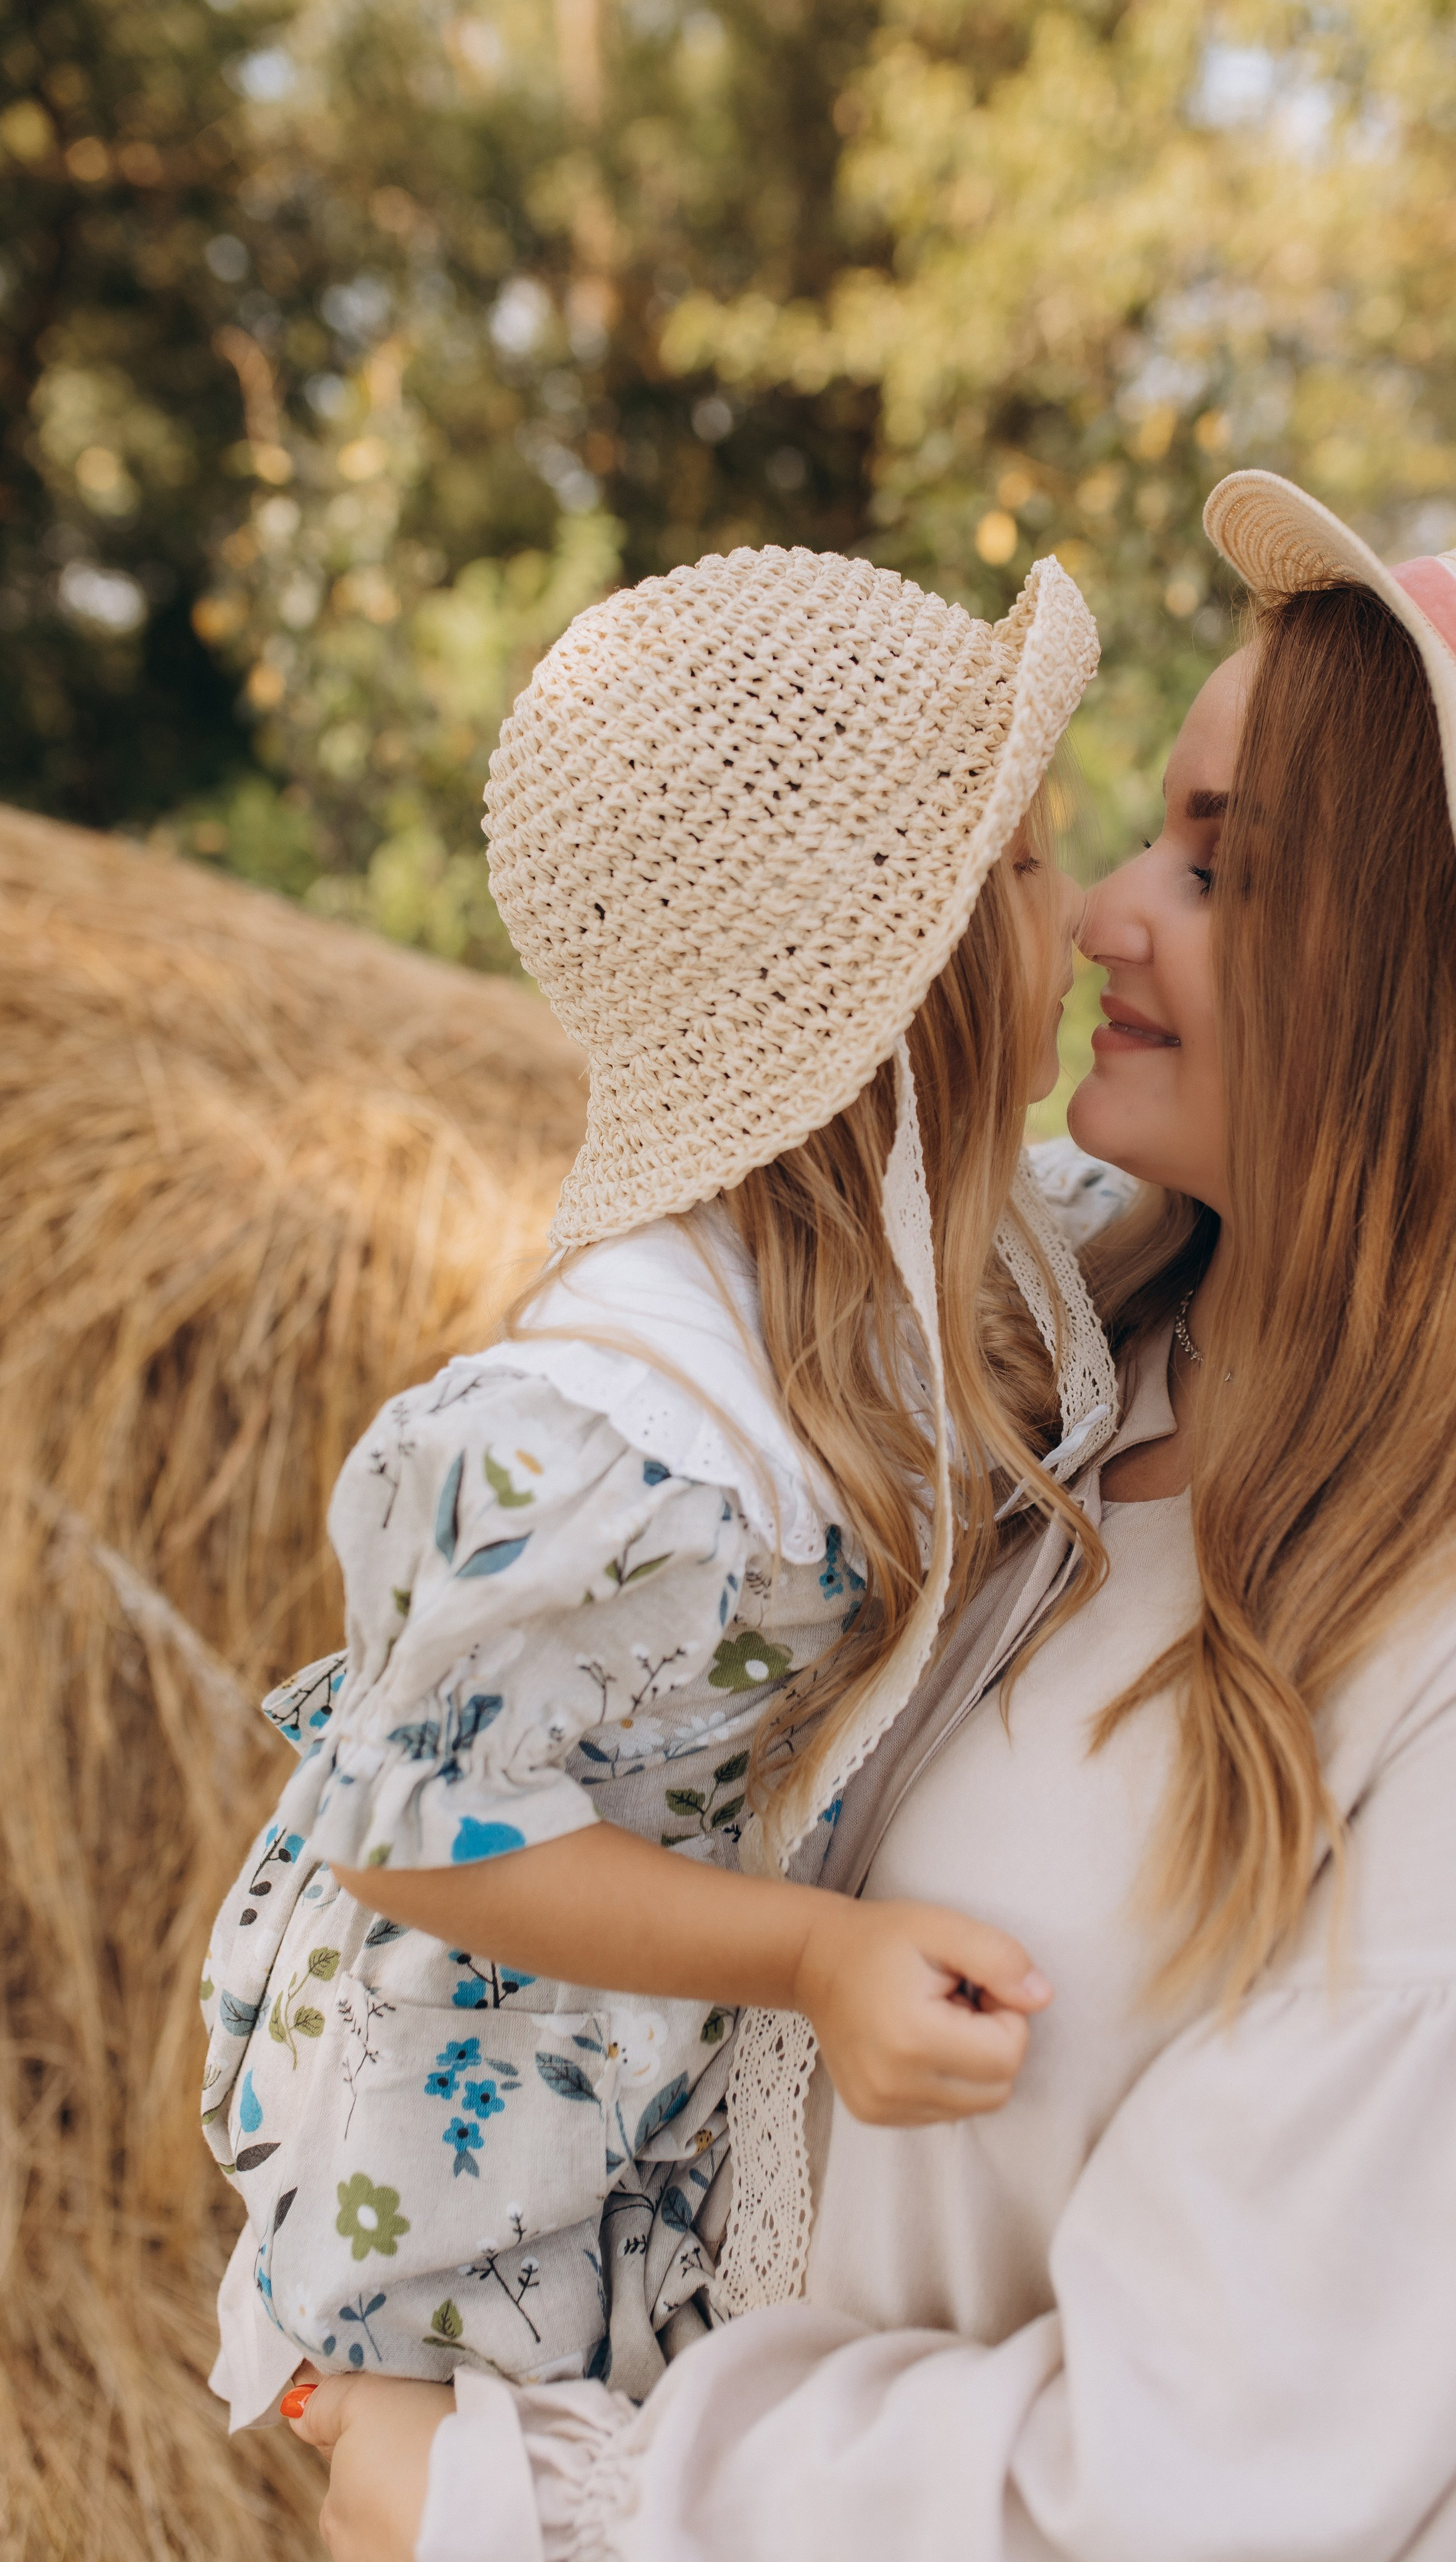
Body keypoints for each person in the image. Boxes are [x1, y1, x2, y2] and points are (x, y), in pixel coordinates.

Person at [289, 473, 1456, 2562]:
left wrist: (503, 2498)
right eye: (1139, 833)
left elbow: (1218, 2486)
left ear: (1440, 995)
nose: (1103, 914)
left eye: (1223, 872)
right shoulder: (1065, 1364)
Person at [198, 542, 1137, 2432]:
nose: (1097, 911)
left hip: (646, 2095)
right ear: (902, 980)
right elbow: (415, 1833)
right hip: (473, 2160)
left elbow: (1191, 1216)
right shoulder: (608, 1426)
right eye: (1029, 870)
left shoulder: (948, 1265)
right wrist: (813, 1953)